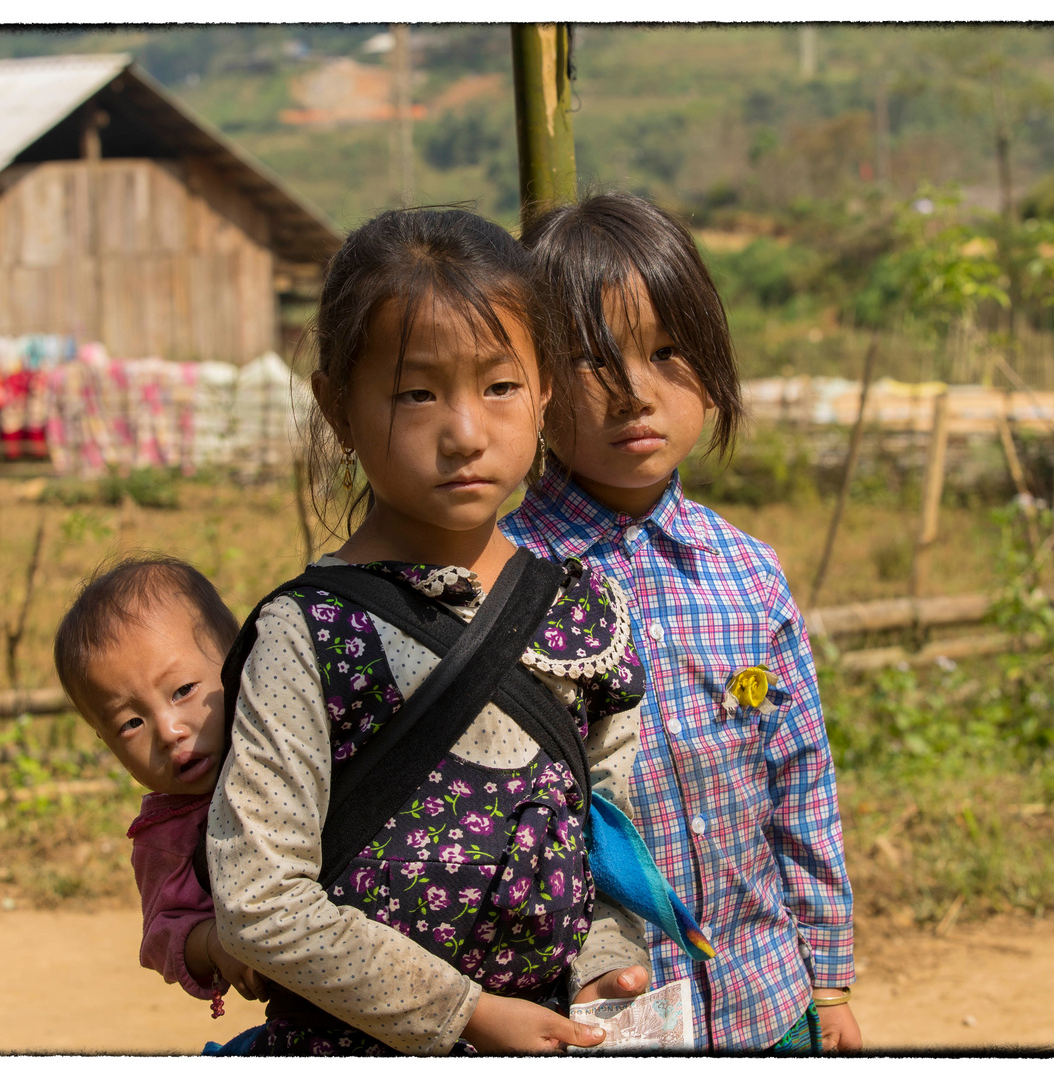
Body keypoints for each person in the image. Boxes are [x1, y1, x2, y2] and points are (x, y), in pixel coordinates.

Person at [201, 207, 652, 1056]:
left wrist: (603, 964)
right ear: (337, 406)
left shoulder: (583, 613)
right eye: (417, 393)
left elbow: (609, 836)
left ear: (545, 388)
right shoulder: (310, 635)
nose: (466, 433)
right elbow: (259, 898)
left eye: (500, 386)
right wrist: (468, 1015)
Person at [502, 192, 862, 1053]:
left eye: (669, 351)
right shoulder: (500, 581)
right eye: (593, 361)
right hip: (604, 1024)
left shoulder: (748, 573)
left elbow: (800, 781)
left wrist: (829, 978)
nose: (636, 393)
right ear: (536, 381)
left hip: (769, 1003)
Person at [52, 555, 267, 1017]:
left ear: (238, 657)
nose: (169, 731)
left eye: (183, 690)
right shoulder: (168, 839)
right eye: (131, 722)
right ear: (103, 740)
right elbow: (163, 935)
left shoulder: (298, 743)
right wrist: (215, 943)